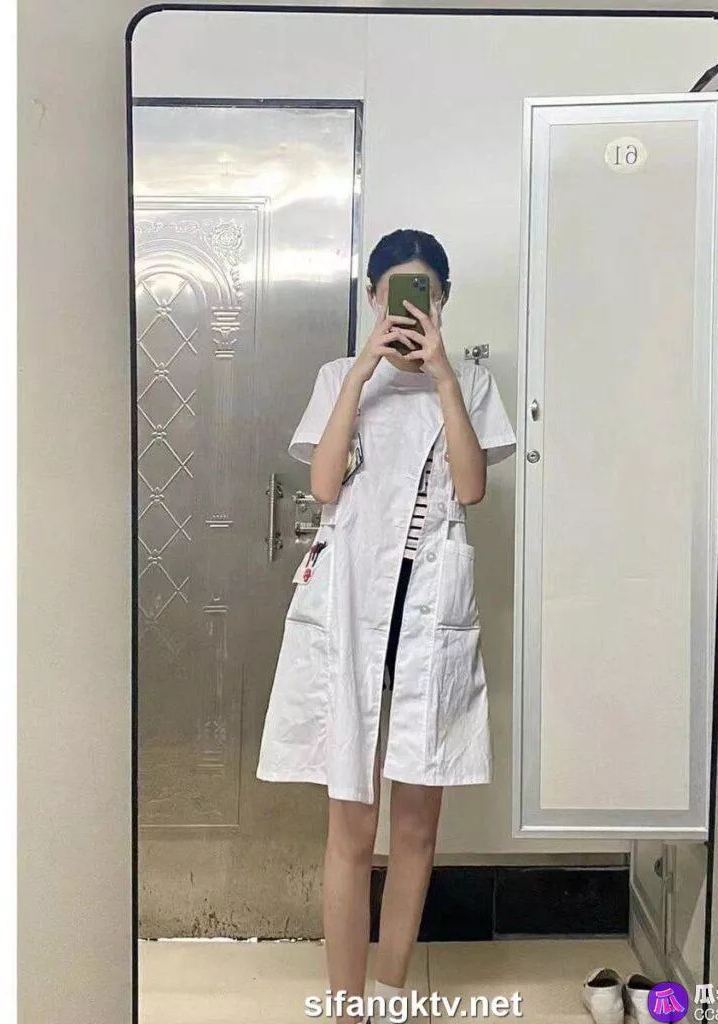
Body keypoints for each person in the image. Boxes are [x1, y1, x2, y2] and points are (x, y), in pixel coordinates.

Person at [256, 228, 517, 1023]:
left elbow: (470, 488)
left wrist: (442, 377)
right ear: (372, 297)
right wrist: (363, 370)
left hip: (429, 610)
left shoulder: (469, 382)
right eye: (396, 293)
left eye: (425, 294)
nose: (410, 308)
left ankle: (391, 992)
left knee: (414, 826)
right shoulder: (341, 375)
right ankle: (345, 1005)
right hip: (352, 611)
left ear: (443, 300)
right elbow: (323, 482)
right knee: (351, 820)